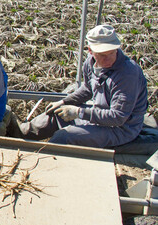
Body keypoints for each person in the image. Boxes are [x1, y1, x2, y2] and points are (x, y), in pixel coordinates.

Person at [9, 24, 148, 148]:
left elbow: (117, 117)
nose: (108, 59)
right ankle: (16, 136)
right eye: (102, 55)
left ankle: (45, 161)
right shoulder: (90, 63)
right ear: (90, 51)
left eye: (112, 53)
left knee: (64, 137)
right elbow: (88, 89)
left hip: (120, 128)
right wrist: (64, 102)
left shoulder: (127, 74)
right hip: (99, 115)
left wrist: (78, 112)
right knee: (52, 116)